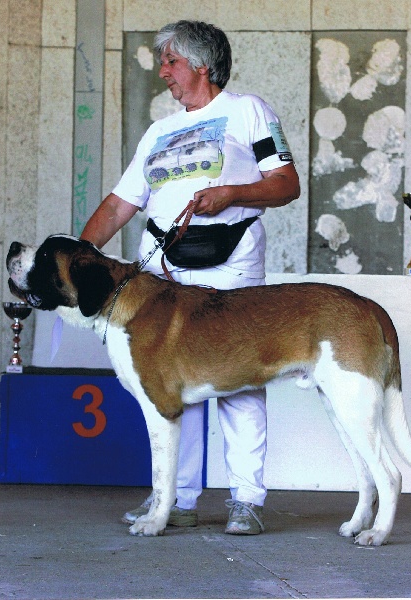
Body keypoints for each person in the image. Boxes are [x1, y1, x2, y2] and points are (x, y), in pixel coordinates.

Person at [80, 20, 300, 535]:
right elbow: (119, 205)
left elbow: (286, 183)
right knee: (169, 383)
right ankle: (175, 499)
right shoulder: (157, 131)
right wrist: (80, 257)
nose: (163, 72)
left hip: (230, 262)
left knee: (241, 380)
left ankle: (246, 499)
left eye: (171, 61)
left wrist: (232, 193)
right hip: (161, 269)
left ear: (201, 65)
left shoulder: (249, 110)